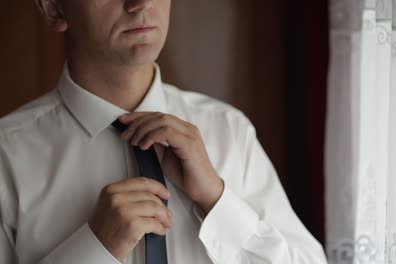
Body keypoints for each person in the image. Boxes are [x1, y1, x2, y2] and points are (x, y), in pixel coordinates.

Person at [0, 0, 327, 263]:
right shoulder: (6, 155)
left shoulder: (229, 131)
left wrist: (218, 200)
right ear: (54, 8)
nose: (140, 3)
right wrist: (94, 250)